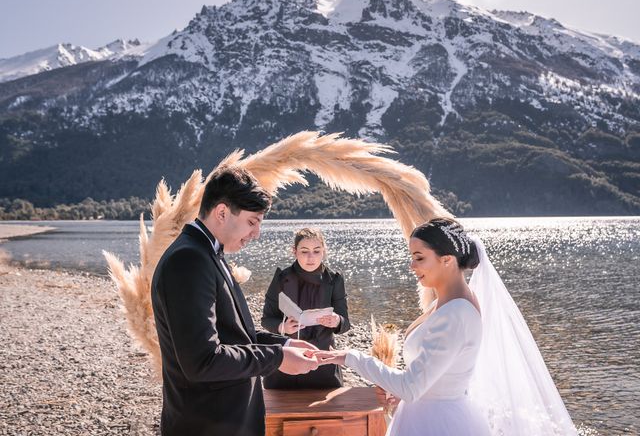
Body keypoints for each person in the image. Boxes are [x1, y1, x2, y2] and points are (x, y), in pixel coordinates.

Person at [316, 218, 577, 436]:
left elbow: (411, 386)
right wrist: (402, 395)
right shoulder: (446, 303)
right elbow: (428, 379)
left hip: (440, 424)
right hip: (426, 414)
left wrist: (350, 357)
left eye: (419, 258)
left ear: (447, 260)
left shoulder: (457, 313)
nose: (412, 266)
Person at [151, 166, 320, 436]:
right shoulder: (189, 261)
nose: (256, 234)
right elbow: (203, 361)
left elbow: (234, 336)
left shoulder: (206, 254)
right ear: (222, 212)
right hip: (206, 426)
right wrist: (277, 358)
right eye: (253, 222)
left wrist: (284, 343)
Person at [261, 228, 351, 389]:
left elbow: (345, 324)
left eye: (316, 251)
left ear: (323, 251)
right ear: (294, 252)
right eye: (304, 251)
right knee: (281, 408)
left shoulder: (335, 279)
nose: (311, 257)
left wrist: (337, 321)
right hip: (287, 359)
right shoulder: (282, 277)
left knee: (326, 411)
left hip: (322, 359)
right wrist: (283, 327)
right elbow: (267, 319)